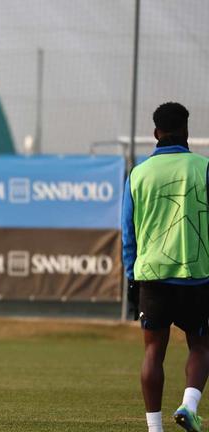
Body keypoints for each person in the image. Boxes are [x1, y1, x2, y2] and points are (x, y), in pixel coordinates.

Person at [123, 102, 209, 432]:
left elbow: (127, 232)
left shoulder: (138, 173)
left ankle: (154, 428)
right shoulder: (203, 168)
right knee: (201, 346)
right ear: (187, 132)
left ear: (155, 133)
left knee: (153, 352)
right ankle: (189, 405)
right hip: (196, 276)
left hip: (153, 277)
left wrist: (132, 277)